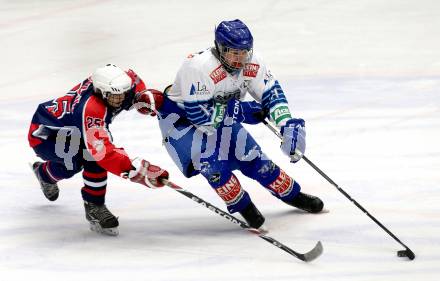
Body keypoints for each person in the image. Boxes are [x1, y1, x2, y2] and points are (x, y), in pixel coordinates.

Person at [157, 19, 323, 230]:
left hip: (223, 117)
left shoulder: (253, 61)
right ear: (219, 47)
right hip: (182, 124)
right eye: (233, 52)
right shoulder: (198, 67)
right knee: (214, 166)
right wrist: (241, 111)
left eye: (244, 52)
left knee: (255, 160)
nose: (240, 58)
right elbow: (199, 116)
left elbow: (271, 93)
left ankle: (293, 195)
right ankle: (245, 207)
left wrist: (287, 123)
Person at [28, 64, 168, 236]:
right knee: (82, 160)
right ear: (101, 92)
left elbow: (134, 82)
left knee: (87, 156)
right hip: (47, 135)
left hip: (73, 128)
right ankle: (93, 205)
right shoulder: (91, 109)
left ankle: (44, 174)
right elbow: (103, 153)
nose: (121, 99)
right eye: (115, 96)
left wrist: (144, 98)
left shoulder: (122, 82)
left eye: (123, 93)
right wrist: (135, 170)